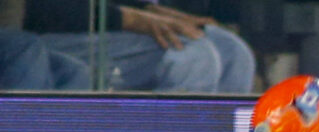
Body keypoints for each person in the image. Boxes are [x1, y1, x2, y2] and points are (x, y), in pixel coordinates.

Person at [23, 0, 254, 93]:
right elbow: (35, 9)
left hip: (110, 26)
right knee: (195, 56)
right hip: (49, 36)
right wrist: (134, 19)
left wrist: (152, 11)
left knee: (231, 50)